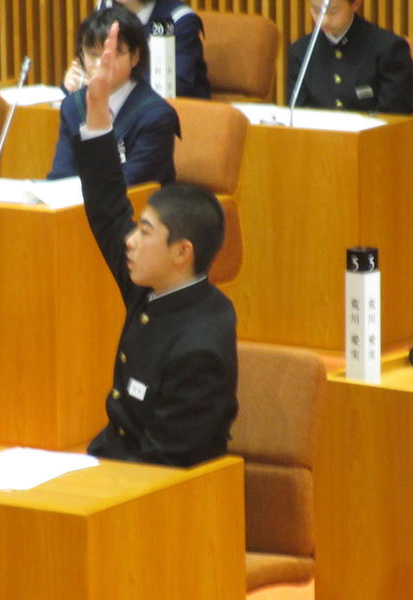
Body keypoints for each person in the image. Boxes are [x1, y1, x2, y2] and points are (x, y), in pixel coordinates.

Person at [74, 21, 238, 467]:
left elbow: (166, 465)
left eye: (145, 232)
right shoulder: (156, 286)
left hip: (160, 489)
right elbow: (109, 209)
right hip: (113, 464)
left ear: (182, 252)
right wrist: (97, 109)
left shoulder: (199, 346)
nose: (130, 241)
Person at [49, 5, 179, 186]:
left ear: (135, 57)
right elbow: (61, 175)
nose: (100, 64)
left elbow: (134, 183)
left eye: (110, 55)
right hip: (79, 201)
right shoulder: (73, 106)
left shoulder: (156, 116)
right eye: (92, 55)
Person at [286, 0, 413, 114]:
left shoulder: (388, 48)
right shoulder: (300, 52)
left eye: (333, 12)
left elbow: (397, 115)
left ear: (356, 4)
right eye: (316, 10)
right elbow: (299, 114)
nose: (323, 20)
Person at [63, 0, 210, 99]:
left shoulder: (179, 18)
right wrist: (76, 80)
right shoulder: (106, 6)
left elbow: (177, 84)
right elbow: (92, 58)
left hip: (175, 113)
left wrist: (111, 85)